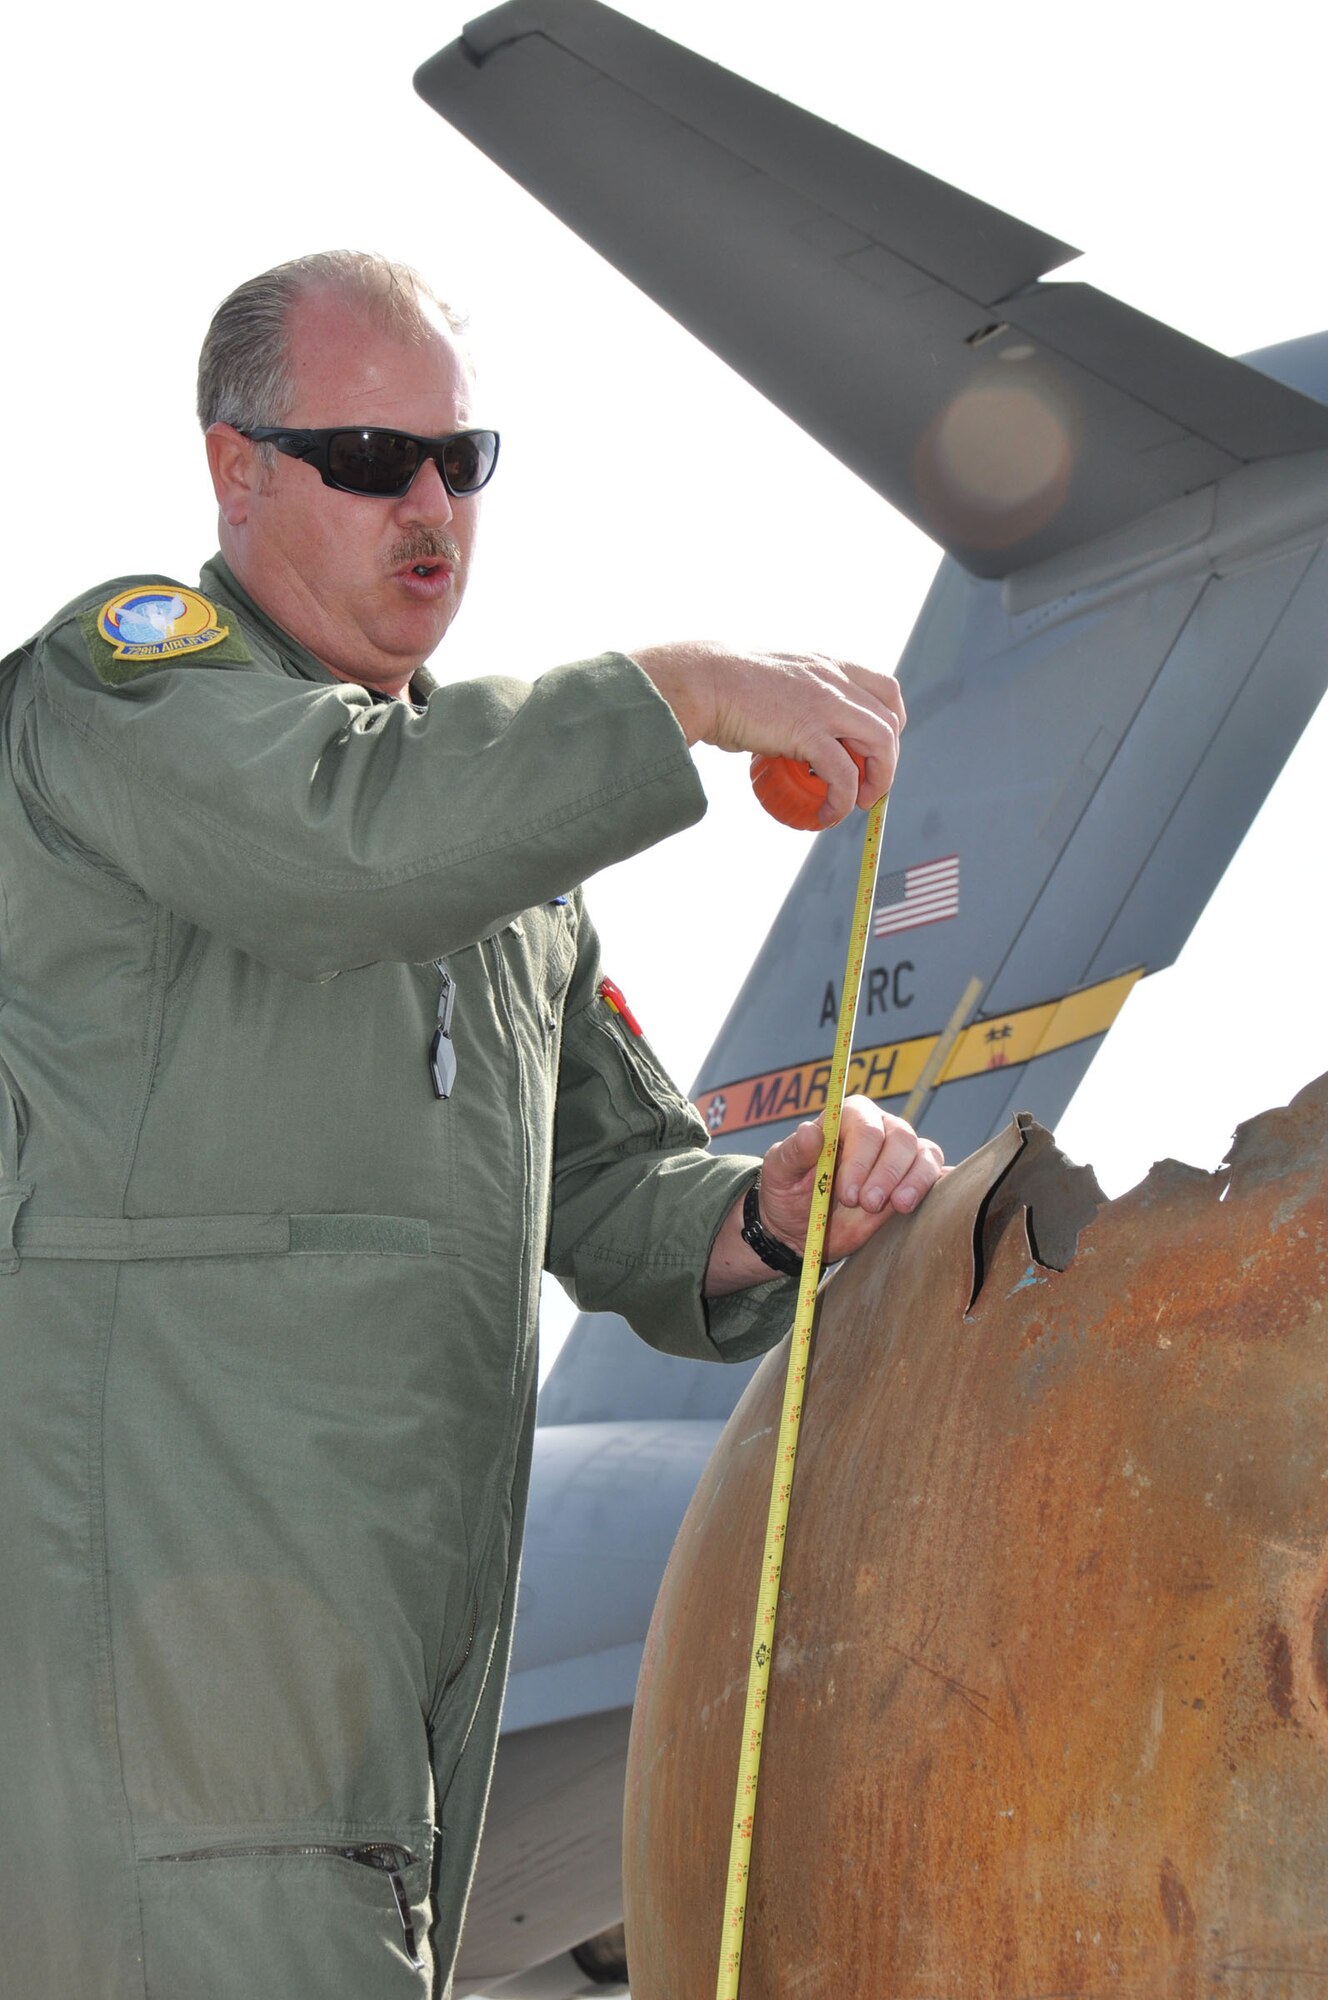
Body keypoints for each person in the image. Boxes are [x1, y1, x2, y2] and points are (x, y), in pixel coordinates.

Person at [0, 251, 942, 1999]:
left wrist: (771, 1208)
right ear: (238, 468)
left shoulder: (512, 875)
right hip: (163, 1716)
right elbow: (347, 847)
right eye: (369, 459)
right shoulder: (129, 690)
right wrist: (678, 692)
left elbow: (616, 1186)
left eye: (462, 459)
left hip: (381, 1735)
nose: (428, 506)